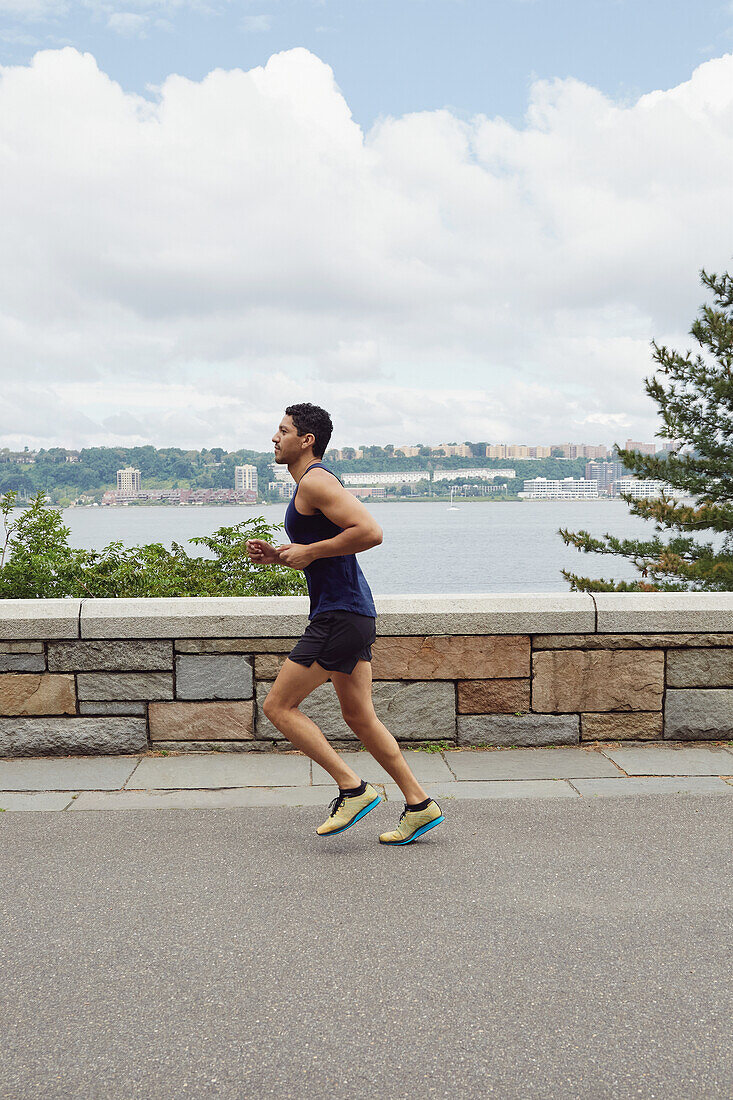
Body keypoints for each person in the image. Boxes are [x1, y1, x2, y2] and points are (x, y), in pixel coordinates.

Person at [246, 402, 444, 846]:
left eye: (282, 431)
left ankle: (353, 790)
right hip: (351, 611)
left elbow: (369, 532)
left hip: (339, 614)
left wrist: (310, 552)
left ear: (306, 439)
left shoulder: (315, 481)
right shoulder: (310, 485)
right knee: (359, 716)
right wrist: (282, 555)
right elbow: (327, 547)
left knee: (278, 707)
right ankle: (419, 805)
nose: (274, 439)